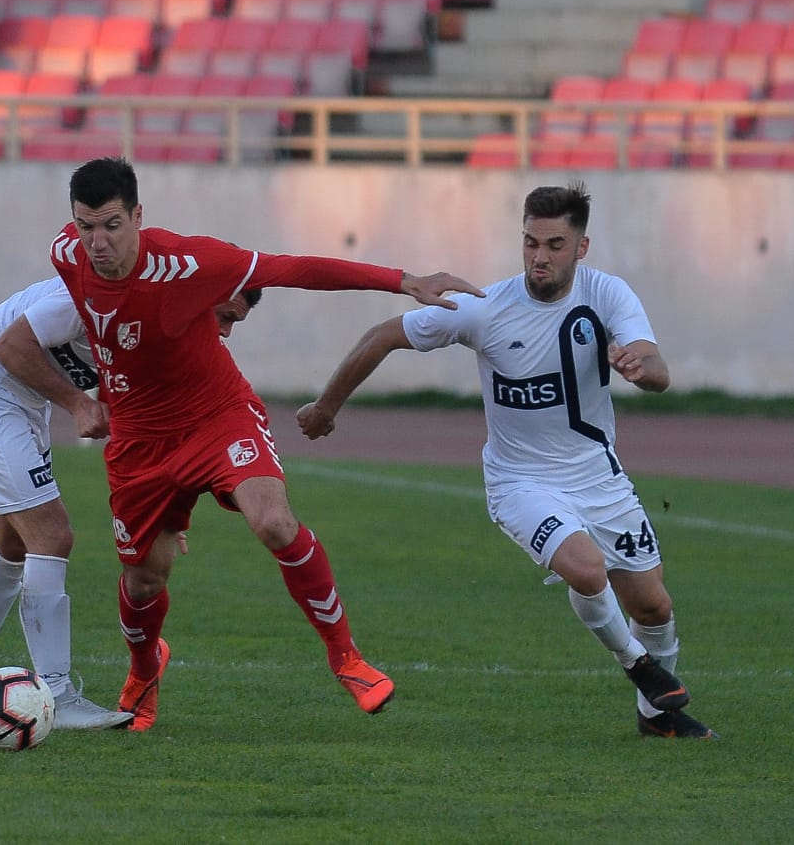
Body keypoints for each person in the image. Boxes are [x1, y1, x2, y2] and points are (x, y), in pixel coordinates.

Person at [51, 156, 484, 731]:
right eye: (86, 227)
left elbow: (295, 268)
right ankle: (144, 666)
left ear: (137, 215)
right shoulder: (65, 255)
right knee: (144, 578)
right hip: (138, 439)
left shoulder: (191, 262)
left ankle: (347, 658)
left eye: (111, 225)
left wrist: (406, 282)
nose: (97, 241)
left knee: (273, 522)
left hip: (216, 416)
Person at [298, 183, 717, 740]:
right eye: (529, 242)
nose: (539, 256)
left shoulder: (609, 295)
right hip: (520, 482)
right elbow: (382, 336)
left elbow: (658, 368)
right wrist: (326, 409)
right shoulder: (486, 308)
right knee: (586, 568)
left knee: (654, 606)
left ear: (582, 247)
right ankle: (640, 670)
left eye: (554, 244)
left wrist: (643, 368)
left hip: (598, 476)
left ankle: (656, 718)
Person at [0, 277, 134, 730]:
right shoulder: (92, 298)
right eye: (223, 317)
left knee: (15, 539)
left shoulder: (157, 326)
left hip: (20, 406)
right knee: (51, 534)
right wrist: (79, 404)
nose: (224, 331)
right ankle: (57, 695)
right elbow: (10, 349)